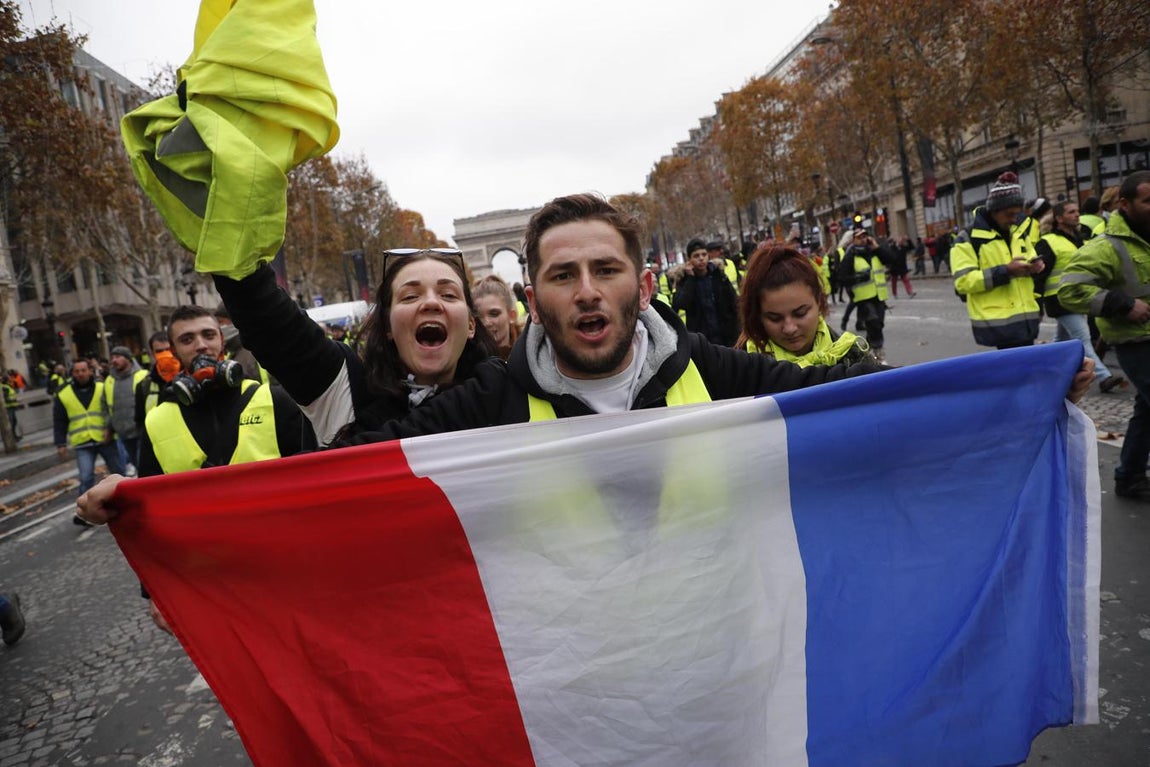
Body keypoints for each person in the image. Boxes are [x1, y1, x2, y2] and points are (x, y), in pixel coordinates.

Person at [129, 306, 311, 630]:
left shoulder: (272, 400)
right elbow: (145, 517)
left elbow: (314, 482)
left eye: (208, 334)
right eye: (187, 339)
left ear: (221, 343)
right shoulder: (157, 422)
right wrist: (155, 591)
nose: (200, 345)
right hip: (212, 578)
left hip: (285, 565)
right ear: (173, 352)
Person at [210, 247, 498, 446]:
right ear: (387, 326)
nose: (431, 302)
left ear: (471, 325)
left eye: (448, 294)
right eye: (410, 297)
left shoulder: (509, 391)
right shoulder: (344, 389)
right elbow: (260, 308)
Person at [1059, 170, 1150, 498]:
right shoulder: (1108, 246)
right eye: (1147, 200)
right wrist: (1122, 304)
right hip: (1135, 340)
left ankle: (1130, 475)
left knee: (1145, 409)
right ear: (1124, 204)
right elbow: (1068, 289)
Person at [1034, 201, 1124, 393]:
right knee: (1082, 337)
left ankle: (1042, 368)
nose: (1077, 215)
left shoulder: (1080, 239)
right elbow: (1040, 276)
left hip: (1078, 297)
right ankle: (1104, 377)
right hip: (1058, 299)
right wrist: (1037, 303)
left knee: (1061, 339)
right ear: (1059, 218)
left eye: (1077, 211)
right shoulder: (1047, 241)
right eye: (1071, 212)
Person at [736, 245, 875, 367]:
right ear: (757, 316)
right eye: (775, 318)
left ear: (819, 302)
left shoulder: (854, 357)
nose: (790, 329)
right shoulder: (741, 370)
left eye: (800, 313)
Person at [952, 172, 1045, 349]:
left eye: (1017, 214)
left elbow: (1029, 258)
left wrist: (1035, 266)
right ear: (994, 210)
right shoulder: (967, 238)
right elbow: (963, 282)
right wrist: (1007, 271)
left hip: (1027, 320)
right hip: (999, 326)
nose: (1013, 219)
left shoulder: (1017, 231)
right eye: (1009, 214)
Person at [53, 359, 125, 525]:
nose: (80, 374)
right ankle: (84, 513)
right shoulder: (63, 393)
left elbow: (111, 410)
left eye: (84, 370)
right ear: (72, 373)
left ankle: (124, 504)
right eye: (77, 371)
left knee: (118, 472)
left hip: (105, 438)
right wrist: (60, 443)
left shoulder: (103, 387)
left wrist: (111, 429)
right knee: (85, 477)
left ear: (91, 371)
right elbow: (59, 420)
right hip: (83, 442)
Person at [672, 238, 740, 346]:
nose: (701, 259)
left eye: (704, 254)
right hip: (702, 343)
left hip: (727, 339)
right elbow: (680, 303)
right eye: (696, 256)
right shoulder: (684, 280)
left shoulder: (719, 275)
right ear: (689, 260)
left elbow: (734, 302)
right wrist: (691, 279)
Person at [837, 228, 888, 362]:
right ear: (853, 240)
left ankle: (866, 351)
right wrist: (858, 278)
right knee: (873, 322)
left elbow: (892, 260)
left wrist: (877, 248)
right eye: (859, 237)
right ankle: (879, 354)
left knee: (878, 325)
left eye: (865, 236)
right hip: (863, 298)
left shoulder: (873, 251)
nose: (863, 239)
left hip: (878, 295)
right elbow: (842, 277)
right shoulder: (851, 254)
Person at [105, 346, 148, 470]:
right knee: (136, 464)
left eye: (118, 357)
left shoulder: (143, 375)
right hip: (123, 432)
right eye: (112, 357)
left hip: (142, 430)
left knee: (143, 465)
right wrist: (109, 428)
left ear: (128, 359)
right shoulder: (109, 380)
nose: (114, 360)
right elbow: (107, 406)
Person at [473, 274, 520, 360]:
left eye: (494, 314)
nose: (486, 323)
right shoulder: (466, 364)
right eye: (478, 317)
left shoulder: (530, 355)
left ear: (511, 316)